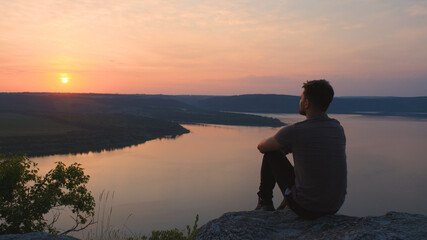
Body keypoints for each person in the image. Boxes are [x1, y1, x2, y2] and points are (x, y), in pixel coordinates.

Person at [255, 79, 347, 219]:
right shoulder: (337, 128)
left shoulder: (296, 131)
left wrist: (284, 145)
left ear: (307, 103)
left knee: (271, 153)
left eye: (301, 98)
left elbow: (262, 147)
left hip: (307, 208)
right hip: (333, 206)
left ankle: (264, 202)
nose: (299, 101)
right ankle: (285, 203)